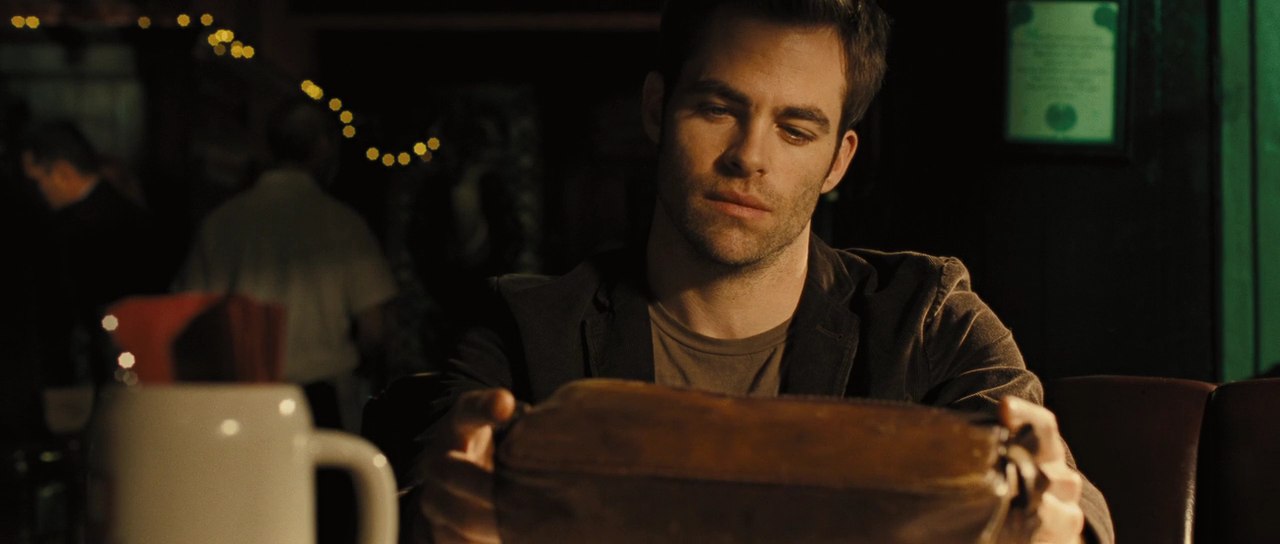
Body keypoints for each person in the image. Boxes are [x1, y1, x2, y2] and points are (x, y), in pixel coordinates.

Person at [407, 1, 1114, 543]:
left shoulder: (926, 321)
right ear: (656, 109)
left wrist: (1053, 518)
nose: (750, 156)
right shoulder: (528, 329)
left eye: (796, 130)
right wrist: (444, 505)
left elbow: (1076, 506)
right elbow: (412, 500)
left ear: (838, 161)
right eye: (718, 109)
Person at [172, 99, 398, 431]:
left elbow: (189, 313)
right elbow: (374, 327)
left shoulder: (222, 222)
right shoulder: (342, 223)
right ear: (323, 146)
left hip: (241, 397)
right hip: (319, 400)